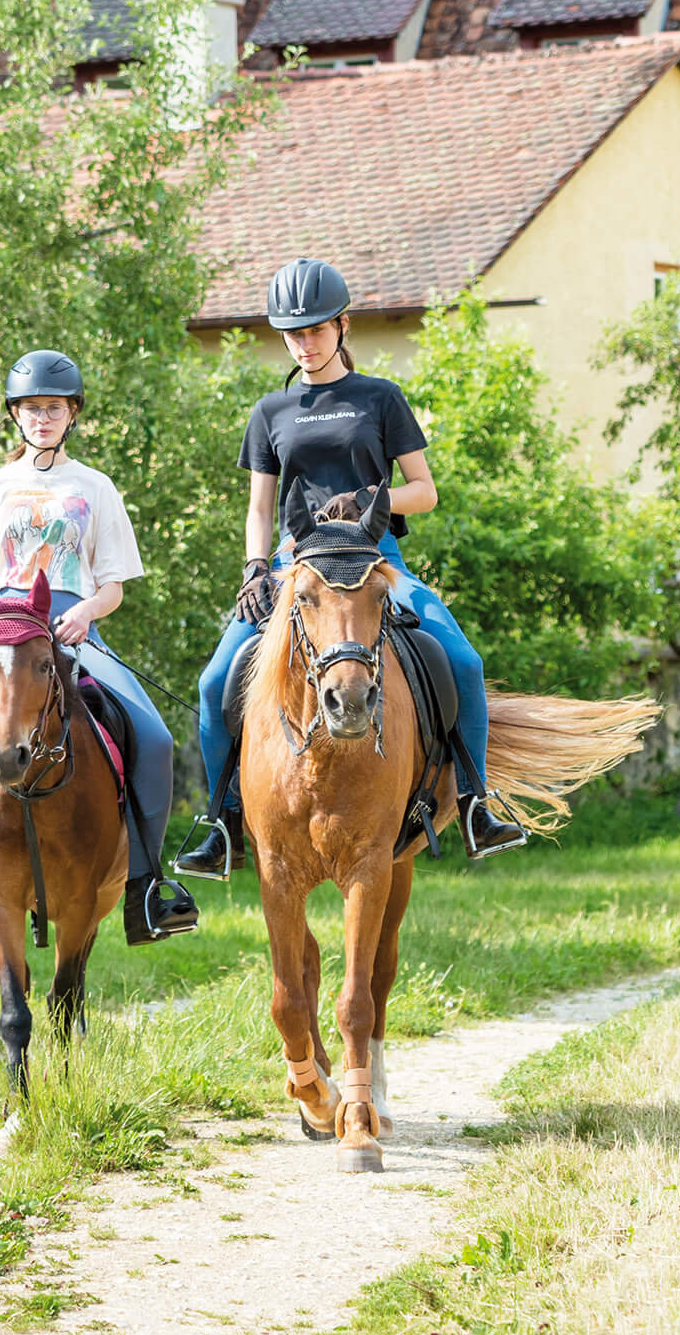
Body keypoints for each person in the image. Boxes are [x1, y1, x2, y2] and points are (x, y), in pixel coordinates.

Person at [175, 258, 528, 877]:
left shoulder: (380, 398)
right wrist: (256, 568)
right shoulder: (270, 411)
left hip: (374, 563)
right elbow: (261, 506)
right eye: (293, 334)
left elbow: (425, 489)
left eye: (315, 330)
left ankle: (475, 803)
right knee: (213, 684)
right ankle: (222, 820)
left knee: (463, 661)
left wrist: (374, 501)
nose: (304, 344)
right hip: (297, 570)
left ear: (342, 325)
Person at [0, 350, 202, 945]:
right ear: (14, 414)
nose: (42, 417)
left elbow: (112, 584)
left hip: (69, 627)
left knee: (157, 739)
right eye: (32, 407)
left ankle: (145, 882)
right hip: (0, 631)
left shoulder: (95, 486)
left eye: (54, 408)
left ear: (72, 414)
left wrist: (86, 612)